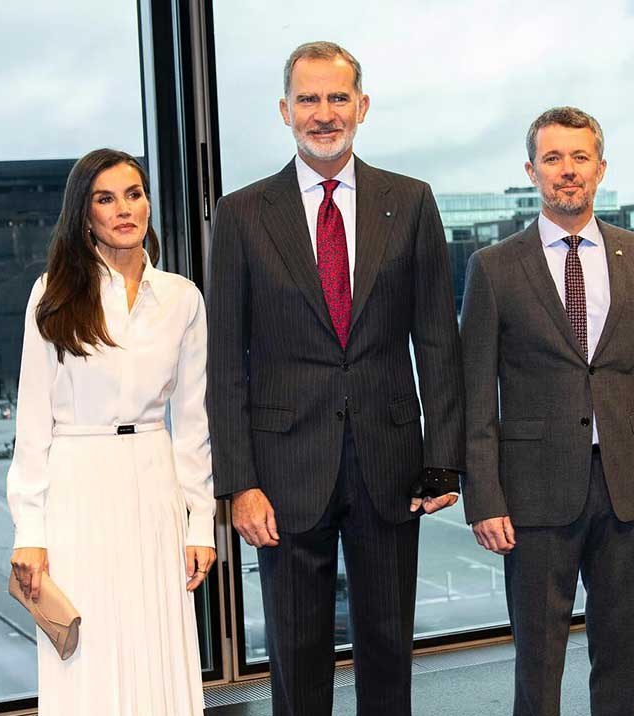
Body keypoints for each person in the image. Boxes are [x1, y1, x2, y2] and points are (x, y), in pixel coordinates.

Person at [207, 41, 465, 716]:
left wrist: (444, 460)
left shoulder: (409, 202)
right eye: (309, 99)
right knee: (295, 656)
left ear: (363, 106)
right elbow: (224, 362)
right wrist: (239, 483)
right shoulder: (241, 215)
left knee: (387, 648)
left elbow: (438, 338)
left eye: (338, 97)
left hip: (389, 462)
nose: (325, 114)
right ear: (285, 110)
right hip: (284, 472)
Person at [459, 106, 634, 716]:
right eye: (554, 158)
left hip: (625, 489)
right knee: (538, 666)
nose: (568, 171)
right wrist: (483, 495)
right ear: (532, 170)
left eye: (580, 157)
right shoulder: (494, 267)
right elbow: (476, 396)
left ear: (601, 168)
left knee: (622, 657)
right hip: (532, 496)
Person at [6, 148, 216, 715]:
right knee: (89, 654)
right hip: (77, 489)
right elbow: (32, 421)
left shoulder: (182, 298)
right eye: (105, 198)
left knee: (157, 645)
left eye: (134, 194)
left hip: (154, 483)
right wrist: (30, 527)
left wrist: (201, 522)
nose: (124, 209)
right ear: (85, 214)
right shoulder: (52, 294)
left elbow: (193, 422)